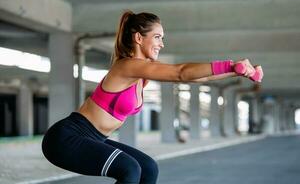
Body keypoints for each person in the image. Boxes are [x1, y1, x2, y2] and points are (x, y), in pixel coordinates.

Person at [42, 10, 262, 184]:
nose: (162, 43)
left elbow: (193, 79)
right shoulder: (127, 66)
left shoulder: (143, 71)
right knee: (130, 169)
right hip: (67, 139)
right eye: (157, 37)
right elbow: (181, 71)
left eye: (162, 38)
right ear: (138, 37)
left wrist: (236, 70)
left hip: (94, 138)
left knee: (148, 168)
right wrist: (230, 64)